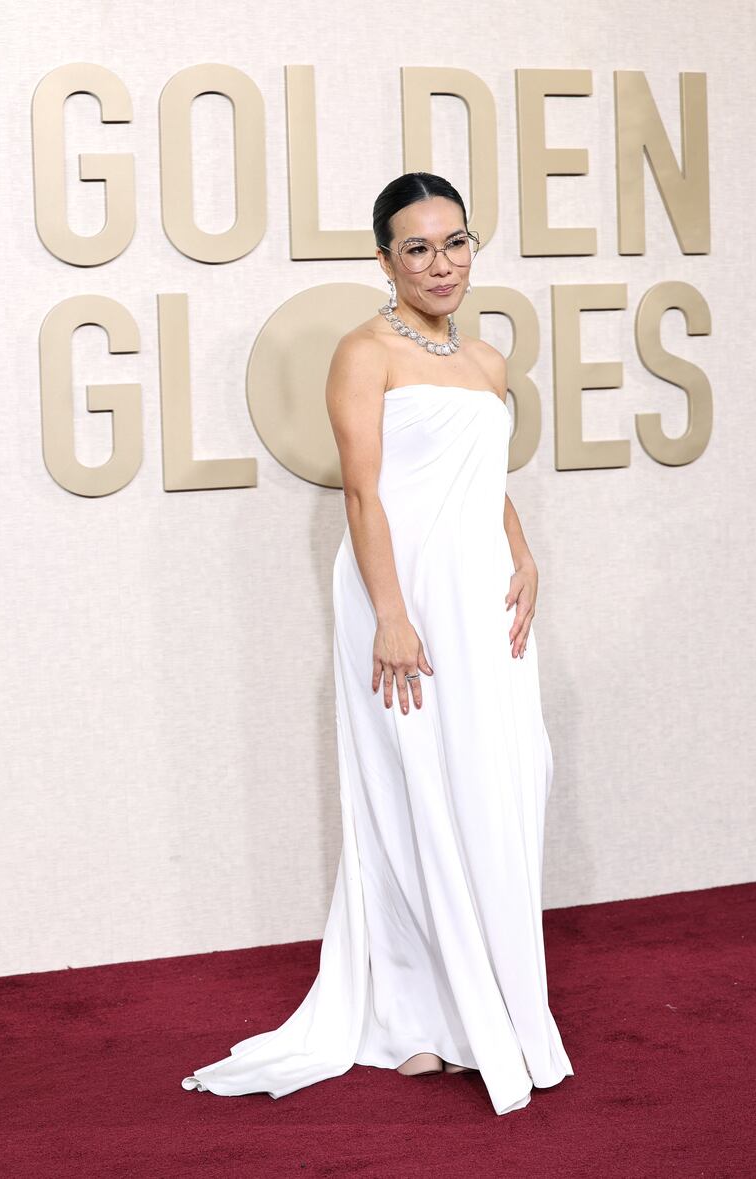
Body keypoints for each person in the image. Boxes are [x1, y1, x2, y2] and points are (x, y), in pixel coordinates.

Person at [181, 172, 574, 1116]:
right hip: (403, 598)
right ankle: (412, 1016)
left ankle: (494, 1005)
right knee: (411, 789)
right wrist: (390, 613)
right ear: (384, 259)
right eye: (418, 248)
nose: (441, 264)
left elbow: (483, 476)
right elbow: (365, 492)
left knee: (500, 780)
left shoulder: (485, 360)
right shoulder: (364, 354)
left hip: (482, 597)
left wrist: (523, 555)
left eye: (455, 242)